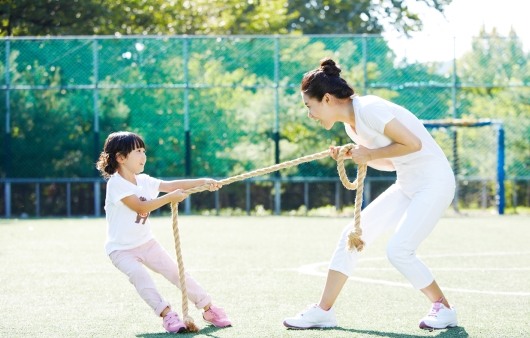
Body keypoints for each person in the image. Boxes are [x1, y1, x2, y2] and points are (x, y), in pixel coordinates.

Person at [283, 58, 458, 330]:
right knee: (351, 236)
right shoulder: (350, 125)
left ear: (327, 99)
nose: (310, 114)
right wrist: (356, 154)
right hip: (408, 183)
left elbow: (413, 143)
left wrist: (369, 153)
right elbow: (389, 163)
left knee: (399, 250)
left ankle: (444, 309)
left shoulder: (369, 109)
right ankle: (323, 311)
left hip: (435, 182)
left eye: (310, 106)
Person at [96, 131, 231, 333]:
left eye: (143, 151)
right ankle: (167, 314)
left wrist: (203, 181)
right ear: (121, 157)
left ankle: (208, 308)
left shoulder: (145, 181)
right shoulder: (116, 183)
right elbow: (141, 207)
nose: (143, 156)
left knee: (177, 273)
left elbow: (173, 186)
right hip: (121, 250)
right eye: (137, 151)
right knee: (140, 277)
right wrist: (170, 198)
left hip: (147, 243)